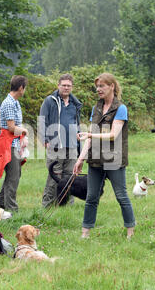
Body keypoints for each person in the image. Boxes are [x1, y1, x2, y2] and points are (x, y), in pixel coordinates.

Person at [73, 73, 135, 239]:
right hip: (95, 160)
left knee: (121, 196)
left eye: (102, 86)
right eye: (97, 87)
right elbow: (90, 137)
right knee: (91, 198)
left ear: (112, 86)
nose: (98, 89)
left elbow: (113, 135)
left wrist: (91, 135)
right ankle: (85, 233)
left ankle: (130, 232)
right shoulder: (96, 108)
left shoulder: (120, 108)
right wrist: (81, 159)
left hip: (114, 159)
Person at [39, 74, 82, 208]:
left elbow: (77, 123)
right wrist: (45, 139)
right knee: (54, 176)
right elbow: (42, 121)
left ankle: (67, 206)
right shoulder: (49, 101)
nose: (66, 88)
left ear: (72, 87)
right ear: (58, 85)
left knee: (70, 177)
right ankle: (47, 206)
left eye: (69, 85)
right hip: (56, 145)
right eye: (63, 85)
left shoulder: (75, 103)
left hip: (72, 146)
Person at [0, 75, 29, 213]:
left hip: (15, 142)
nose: (24, 91)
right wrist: (25, 131)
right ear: (21, 88)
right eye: (24, 88)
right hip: (9, 144)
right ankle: (12, 209)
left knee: (14, 174)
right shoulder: (8, 103)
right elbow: (11, 128)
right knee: (13, 177)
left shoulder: (15, 102)